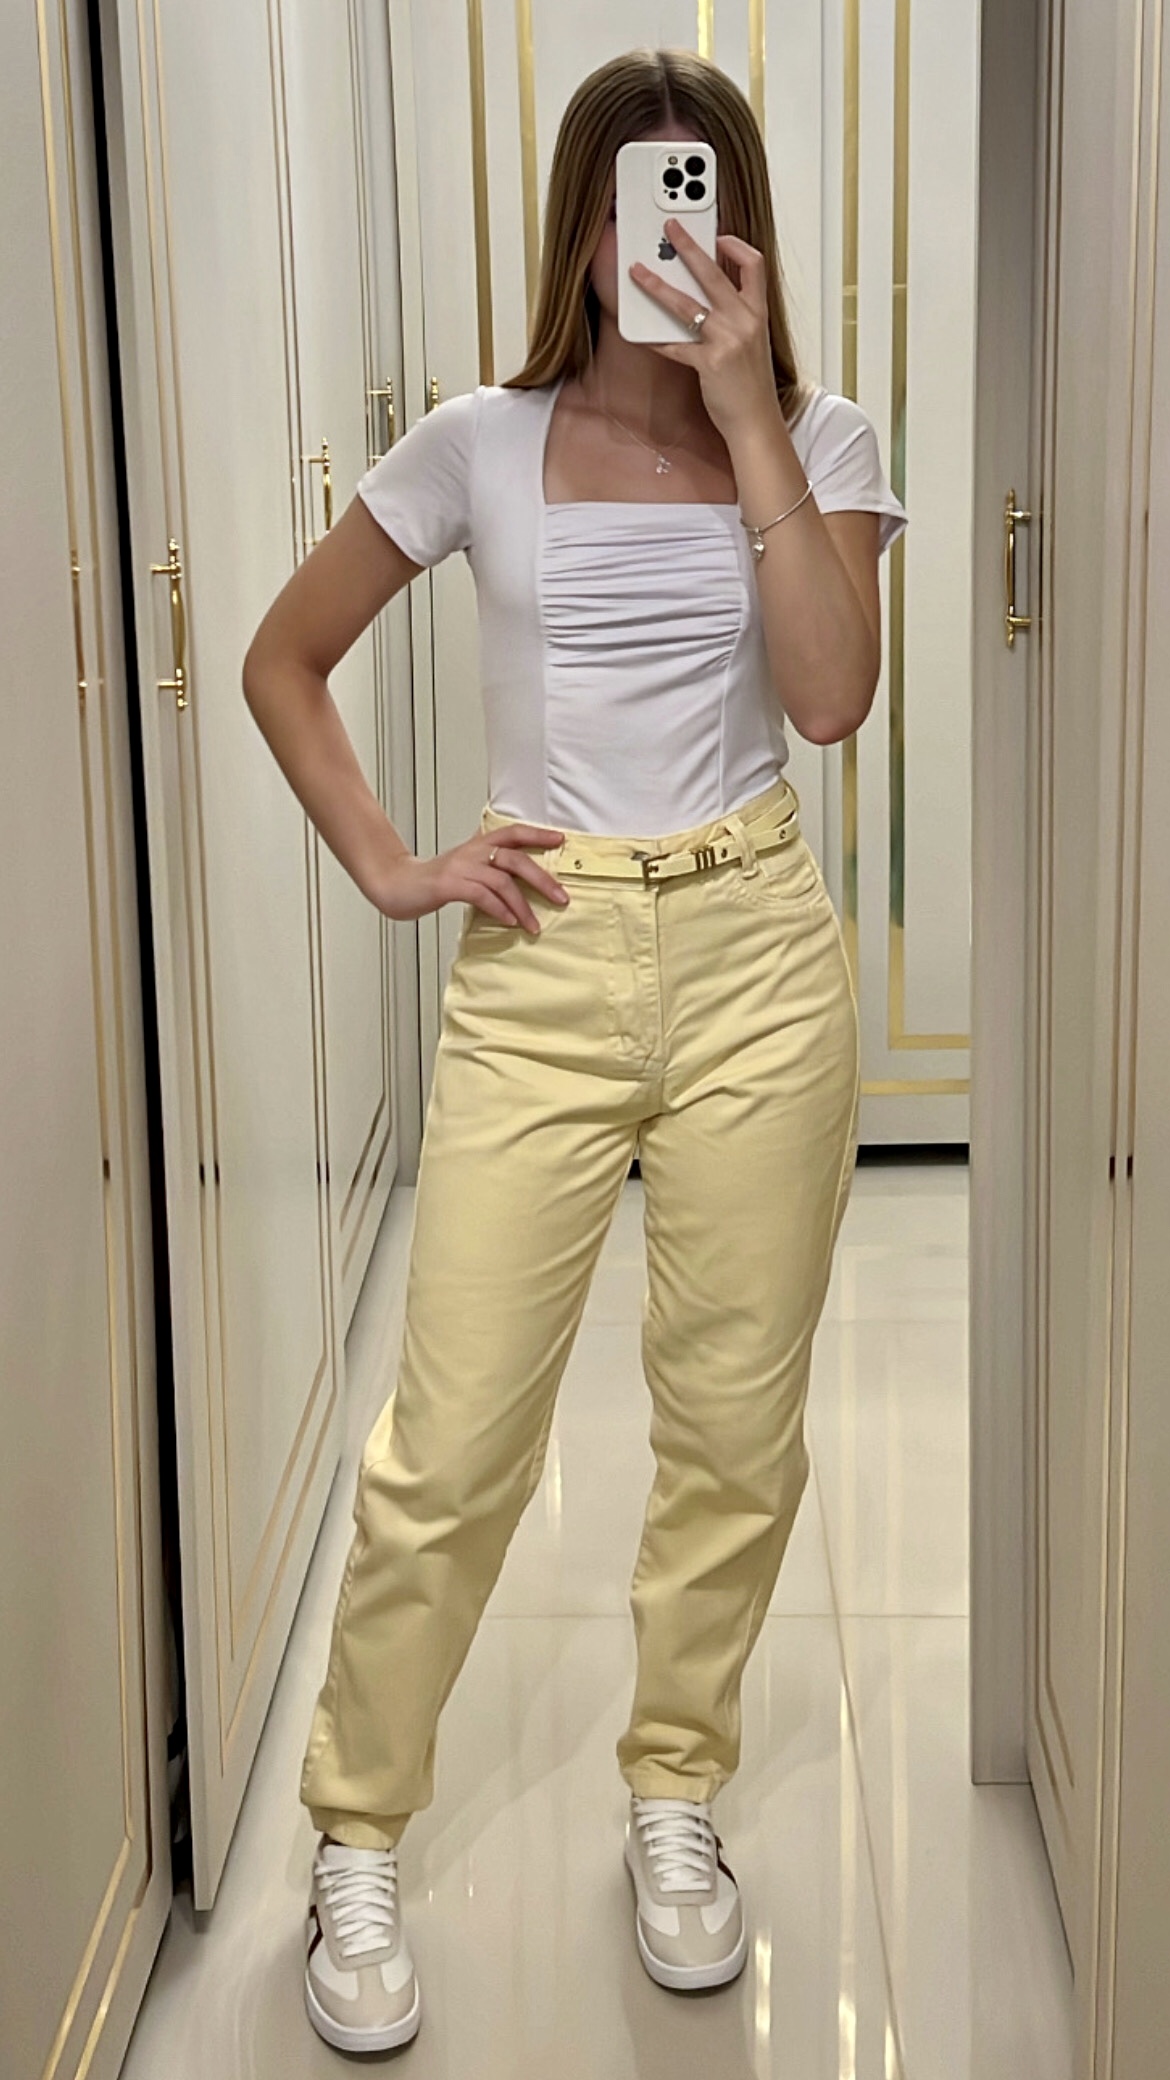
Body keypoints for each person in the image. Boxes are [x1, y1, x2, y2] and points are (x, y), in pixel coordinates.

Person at [243, 43, 907, 2058]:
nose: (667, 238)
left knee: (734, 1428)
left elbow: (829, 701)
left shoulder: (825, 435)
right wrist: (391, 863)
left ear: (744, 225)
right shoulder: (478, 440)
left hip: (756, 952)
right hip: (541, 961)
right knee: (450, 1441)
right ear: (586, 224)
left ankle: (675, 1786)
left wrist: (747, 411)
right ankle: (357, 1829)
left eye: (702, 199)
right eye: (637, 201)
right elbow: (283, 657)